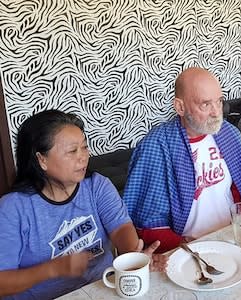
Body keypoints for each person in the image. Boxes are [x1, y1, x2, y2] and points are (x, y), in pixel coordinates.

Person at [0, 110, 168, 299]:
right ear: (42, 160)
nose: (83, 157)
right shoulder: (13, 209)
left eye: (85, 147)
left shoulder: (97, 185)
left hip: (102, 289)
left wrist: (134, 256)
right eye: (72, 151)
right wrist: (52, 269)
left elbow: (121, 227)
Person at [123, 67, 241, 253]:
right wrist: (183, 244)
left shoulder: (229, 134)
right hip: (186, 248)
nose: (216, 112)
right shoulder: (156, 147)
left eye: (219, 101)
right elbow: (147, 223)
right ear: (180, 107)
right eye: (205, 105)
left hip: (231, 238)